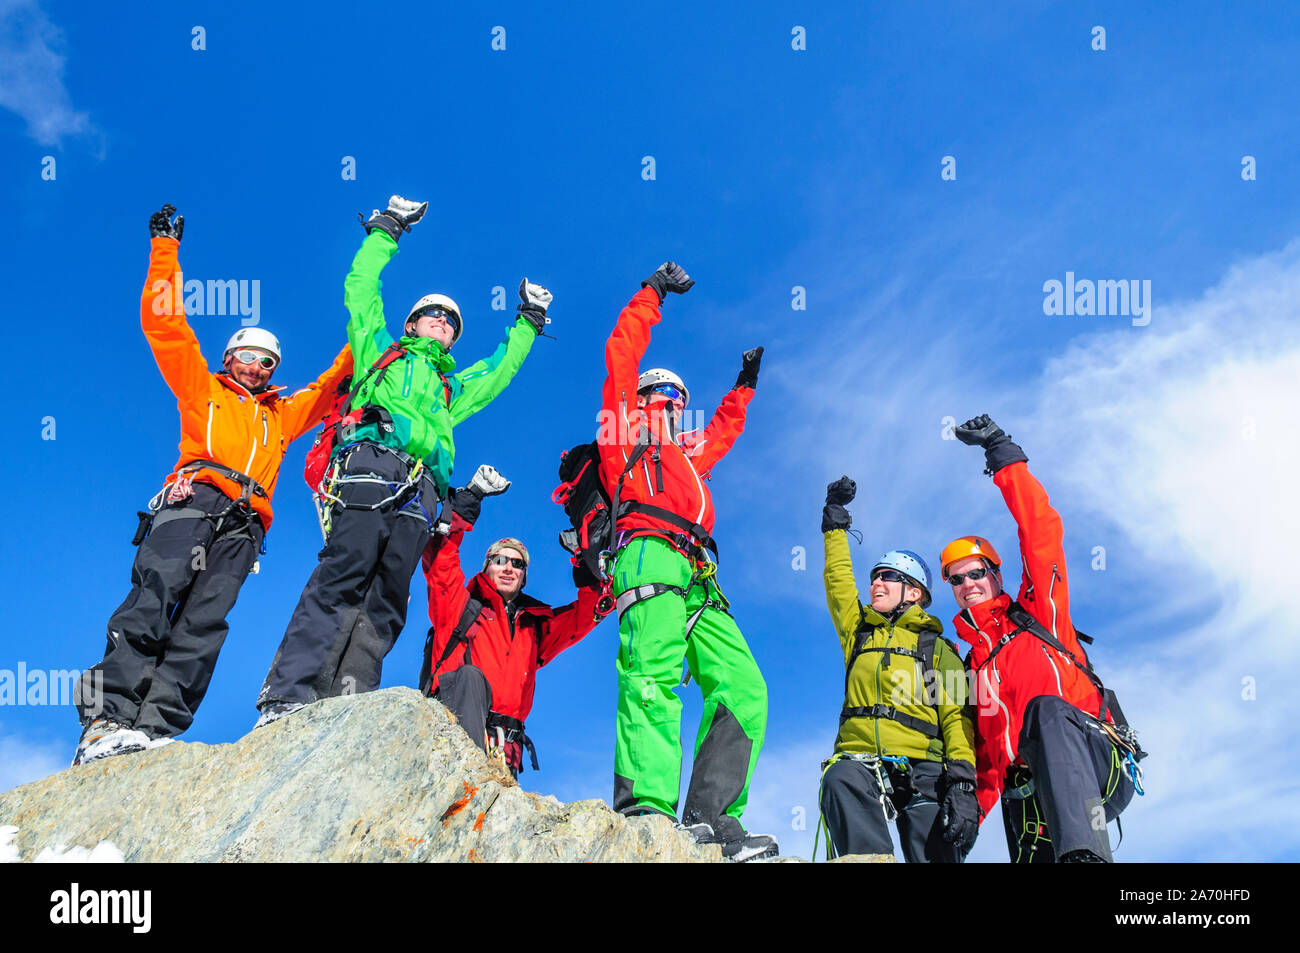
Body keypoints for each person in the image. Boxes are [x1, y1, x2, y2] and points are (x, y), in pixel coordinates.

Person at [73, 204, 353, 765]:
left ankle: (156, 728)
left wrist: (374, 335)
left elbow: (332, 384)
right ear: (229, 357)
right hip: (196, 501)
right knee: (152, 601)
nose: (257, 366)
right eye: (248, 356)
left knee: (205, 624)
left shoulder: (281, 413)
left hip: (246, 524)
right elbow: (166, 327)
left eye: (268, 361)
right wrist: (164, 251)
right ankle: (107, 718)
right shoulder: (204, 388)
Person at [255, 196, 550, 725]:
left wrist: (528, 320)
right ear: (412, 323)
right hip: (371, 466)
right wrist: (387, 229)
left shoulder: (448, 387)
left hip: (424, 491)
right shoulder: (380, 354)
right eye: (433, 316)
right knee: (343, 574)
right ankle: (287, 695)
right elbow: (361, 290)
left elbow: (498, 373)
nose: (442, 323)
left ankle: (345, 706)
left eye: (451, 322)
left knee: (389, 596)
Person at [597, 261, 775, 862]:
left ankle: (711, 819)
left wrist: (742, 387)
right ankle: (647, 810)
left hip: (700, 577)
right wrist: (652, 295)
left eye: (679, 396)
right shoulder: (624, 434)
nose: (671, 402)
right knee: (652, 681)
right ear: (642, 397)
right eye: (661, 393)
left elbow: (723, 432)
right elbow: (620, 353)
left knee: (743, 686)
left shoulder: (689, 456)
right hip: (647, 558)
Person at [942, 414, 1137, 862]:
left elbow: (1041, 535)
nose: (968, 583)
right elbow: (989, 758)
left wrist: (1001, 452)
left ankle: (1085, 857)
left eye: (976, 572)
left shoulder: (1037, 614)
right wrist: (969, 812)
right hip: (1030, 800)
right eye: (957, 579)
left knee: (1044, 711)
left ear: (995, 574)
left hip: (1092, 764)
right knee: (1006, 783)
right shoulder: (972, 667)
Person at [817, 476, 978, 861]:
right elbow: (839, 584)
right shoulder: (859, 632)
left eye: (888, 577)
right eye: (875, 576)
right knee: (839, 780)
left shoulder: (939, 649)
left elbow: (957, 717)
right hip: (859, 760)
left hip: (924, 765)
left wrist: (963, 785)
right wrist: (835, 528)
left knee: (932, 842)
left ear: (915, 592)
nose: (876, 583)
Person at [419, 465, 604, 777]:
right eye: (500, 560)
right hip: (452, 740)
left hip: (504, 752)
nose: (508, 568)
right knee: (470, 677)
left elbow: (585, 616)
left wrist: (586, 562)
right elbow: (440, 562)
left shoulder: (532, 627)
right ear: (487, 566)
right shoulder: (460, 607)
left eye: (517, 564)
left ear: (524, 576)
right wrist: (468, 501)